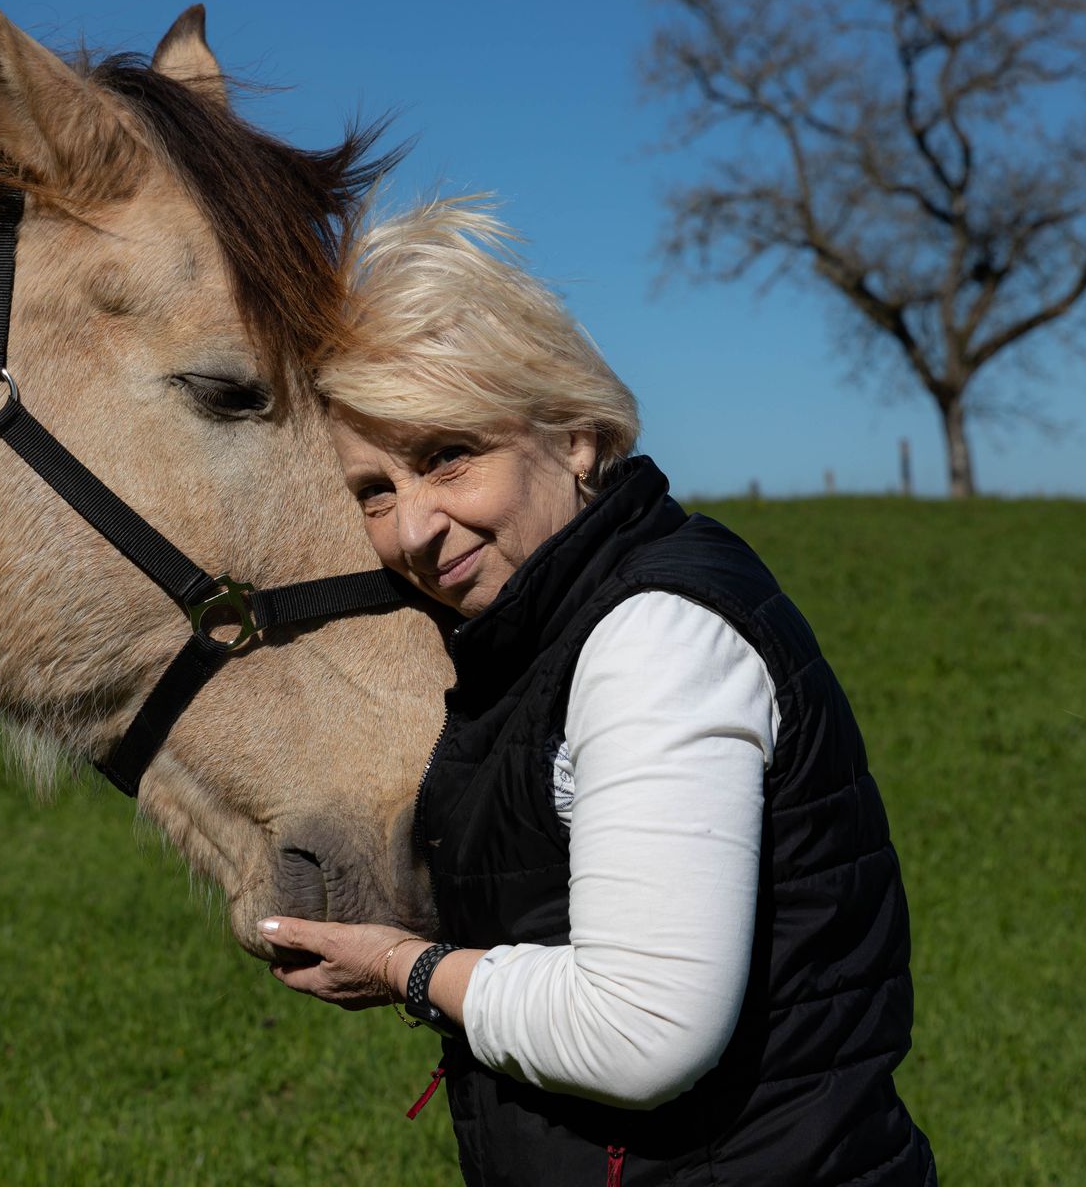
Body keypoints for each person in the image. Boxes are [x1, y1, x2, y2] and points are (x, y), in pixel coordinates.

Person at [260, 200, 936, 1185]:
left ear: (574, 432)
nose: (412, 528)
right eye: (373, 487)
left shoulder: (652, 637)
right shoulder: (546, 632)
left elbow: (640, 1029)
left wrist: (404, 966)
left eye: (447, 454)